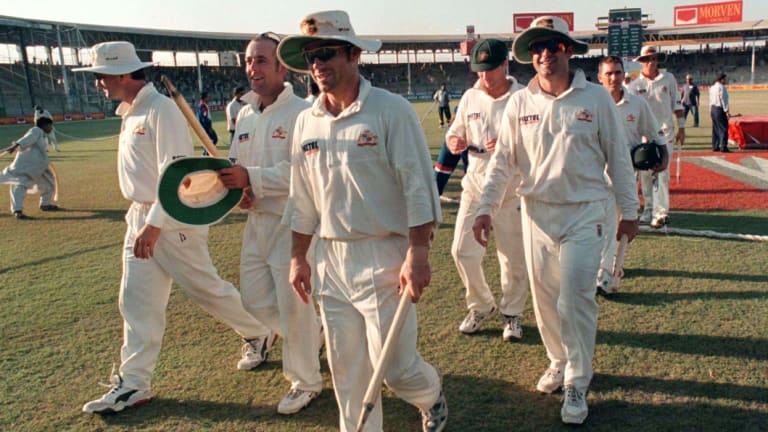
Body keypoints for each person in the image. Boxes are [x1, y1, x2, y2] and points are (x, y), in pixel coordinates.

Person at [73, 41, 274, 415]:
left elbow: (175, 175)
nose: (98, 83)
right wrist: (141, 220)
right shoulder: (130, 111)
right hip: (142, 217)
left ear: (121, 73)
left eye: (101, 76)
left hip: (169, 219)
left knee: (207, 290)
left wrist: (153, 226)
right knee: (135, 302)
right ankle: (134, 383)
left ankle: (258, 331)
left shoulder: (161, 110)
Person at [277, 10, 447, 432]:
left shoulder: (391, 111)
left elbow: (418, 187)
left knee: (396, 370)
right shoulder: (306, 121)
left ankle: (431, 396)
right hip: (331, 258)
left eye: (326, 53)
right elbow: (302, 198)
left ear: (354, 54)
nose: (317, 63)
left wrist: (418, 254)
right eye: (310, 55)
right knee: (347, 372)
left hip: (386, 255)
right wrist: (299, 257)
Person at [472, 16, 639, 425]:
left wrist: (630, 211)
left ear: (567, 48)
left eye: (551, 45)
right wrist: (484, 207)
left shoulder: (596, 98)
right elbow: (502, 164)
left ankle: (578, 381)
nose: (544, 53)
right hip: (537, 213)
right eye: (536, 48)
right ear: (530, 56)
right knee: (545, 298)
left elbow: (618, 158)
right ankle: (558, 361)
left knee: (575, 299)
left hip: (586, 212)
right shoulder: (520, 102)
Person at [217, 32, 323, 415]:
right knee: (255, 301)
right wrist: (238, 187)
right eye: (248, 60)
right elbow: (234, 163)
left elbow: (303, 170)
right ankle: (311, 335)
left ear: (282, 67)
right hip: (256, 223)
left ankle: (306, 380)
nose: (252, 68)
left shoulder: (302, 113)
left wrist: (253, 178)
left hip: (291, 223)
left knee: (294, 308)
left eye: (261, 60)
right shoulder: (244, 113)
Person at [445, 38, 528, 342]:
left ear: (505, 65)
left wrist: (508, 148)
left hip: (511, 188)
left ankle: (512, 314)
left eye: (490, 69)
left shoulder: (523, 97)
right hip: (476, 181)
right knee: (461, 251)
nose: (485, 77)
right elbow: (455, 132)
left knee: (512, 259)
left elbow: (535, 145)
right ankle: (481, 305)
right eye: (479, 71)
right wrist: (454, 141)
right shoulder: (470, 97)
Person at [595, 55, 666, 295]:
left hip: (625, 173)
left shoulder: (637, 103)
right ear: (599, 77)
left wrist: (664, 154)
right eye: (609, 73)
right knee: (600, 223)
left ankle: (611, 271)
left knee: (620, 223)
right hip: (595, 174)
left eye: (618, 72)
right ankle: (604, 272)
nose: (614, 78)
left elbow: (654, 132)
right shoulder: (592, 103)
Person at [627, 46, 685, 229]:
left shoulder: (668, 79)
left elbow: (677, 105)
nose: (651, 62)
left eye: (654, 58)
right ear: (641, 62)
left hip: (664, 131)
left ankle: (661, 213)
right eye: (647, 59)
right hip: (643, 134)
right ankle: (648, 209)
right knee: (645, 173)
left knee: (661, 172)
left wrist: (681, 128)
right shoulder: (635, 85)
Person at [0, 116, 59, 219]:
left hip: (38, 167)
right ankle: (17, 211)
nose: (51, 128)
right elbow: (26, 139)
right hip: (25, 166)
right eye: (50, 126)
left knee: (48, 183)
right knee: (19, 185)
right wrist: (15, 146)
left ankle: (45, 204)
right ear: (45, 125)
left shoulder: (42, 135)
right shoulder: (36, 130)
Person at [709, 73, 730, 152]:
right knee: (723, 128)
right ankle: (723, 146)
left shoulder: (712, 87)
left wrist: (710, 111)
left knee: (715, 129)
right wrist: (727, 110)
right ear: (721, 80)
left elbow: (710, 100)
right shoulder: (722, 88)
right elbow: (723, 100)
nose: (726, 80)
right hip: (719, 109)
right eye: (725, 79)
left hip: (713, 109)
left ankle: (715, 146)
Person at [197, 91, 218, 155]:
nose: (208, 98)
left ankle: (206, 153)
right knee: (214, 139)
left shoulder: (202, 105)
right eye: (207, 97)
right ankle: (206, 153)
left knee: (210, 141)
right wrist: (209, 127)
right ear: (204, 98)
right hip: (205, 127)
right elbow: (204, 118)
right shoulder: (203, 106)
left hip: (205, 127)